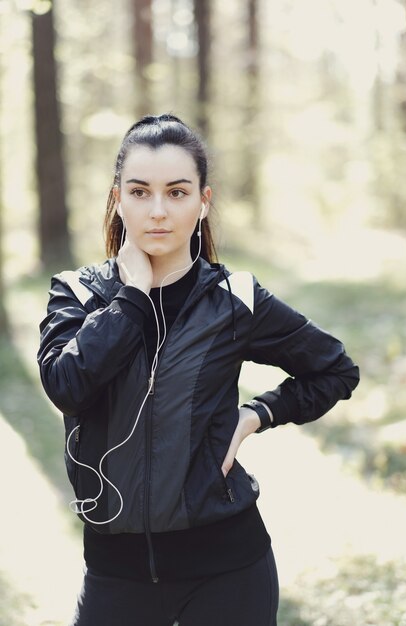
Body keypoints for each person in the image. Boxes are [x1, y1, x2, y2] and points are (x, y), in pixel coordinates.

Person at [37, 113, 360, 626]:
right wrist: (133, 296)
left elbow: (335, 370)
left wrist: (256, 414)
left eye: (178, 192)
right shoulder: (77, 293)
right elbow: (67, 386)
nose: (158, 211)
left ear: (203, 202)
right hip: (115, 575)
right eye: (140, 192)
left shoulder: (235, 300)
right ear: (117, 198)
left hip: (229, 569)